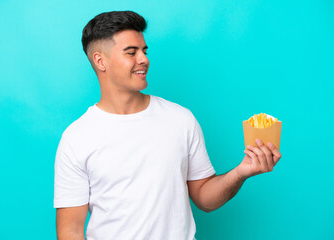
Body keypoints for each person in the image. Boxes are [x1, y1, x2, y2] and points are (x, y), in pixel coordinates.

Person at [54, 10, 282, 240]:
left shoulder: (180, 119)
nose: (143, 59)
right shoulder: (77, 138)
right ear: (100, 61)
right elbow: (70, 231)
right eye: (131, 52)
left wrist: (241, 172)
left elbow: (204, 198)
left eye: (144, 50)